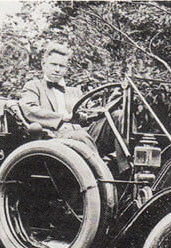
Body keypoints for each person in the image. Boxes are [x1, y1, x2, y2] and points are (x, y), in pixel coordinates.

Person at [14, 42, 129, 173]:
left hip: (84, 135)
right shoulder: (33, 86)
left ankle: (125, 169)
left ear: (66, 69)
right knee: (79, 136)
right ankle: (102, 175)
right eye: (54, 65)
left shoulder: (75, 92)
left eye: (61, 66)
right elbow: (30, 110)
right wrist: (62, 118)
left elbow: (91, 114)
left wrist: (112, 102)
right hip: (54, 138)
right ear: (43, 65)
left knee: (120, 116)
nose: (57, 69)